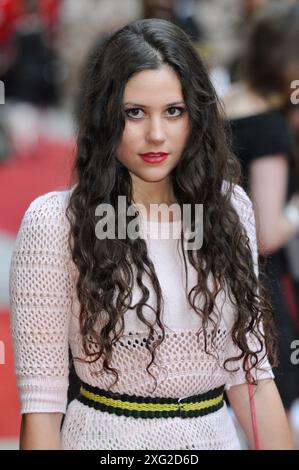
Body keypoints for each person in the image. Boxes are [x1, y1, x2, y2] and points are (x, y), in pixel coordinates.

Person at [9, 18, 293, 450]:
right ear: (106, 116)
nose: (156, 135)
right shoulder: (55, 222)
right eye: (135, 112)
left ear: (195, 115)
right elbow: (42, 404)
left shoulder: (231, 209)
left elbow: (252, 377)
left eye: (173, 111)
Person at [222, 2, 299, 413]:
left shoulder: (223, 105)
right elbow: (267, 233)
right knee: (267, 406)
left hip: (213, 279)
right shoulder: (269, 127)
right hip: (258, 293)